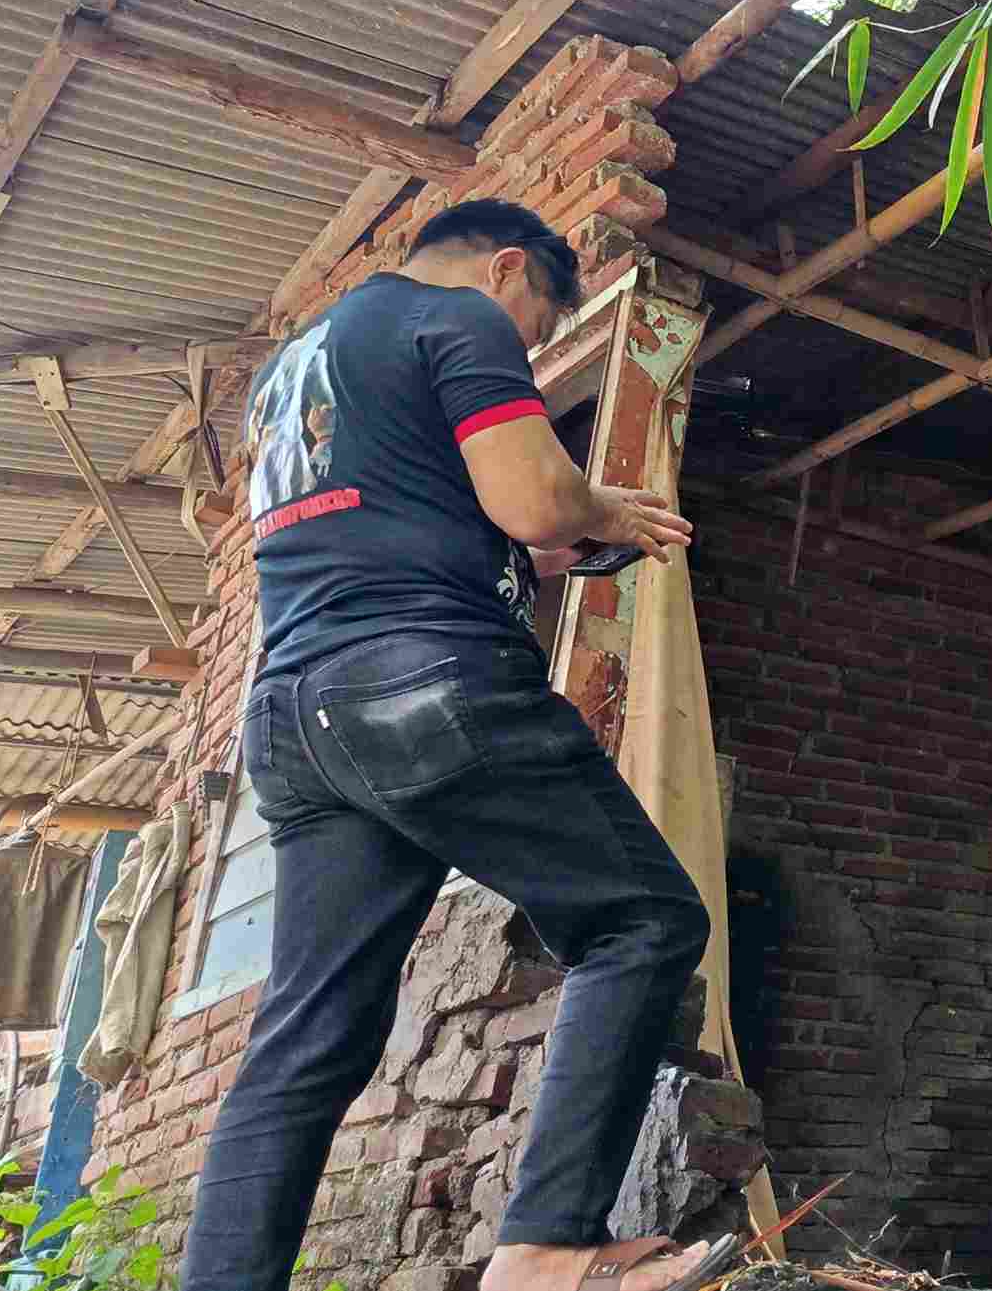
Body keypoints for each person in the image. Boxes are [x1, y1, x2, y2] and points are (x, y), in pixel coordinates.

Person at [183, 200, 726, 1291]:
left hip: (295, 718)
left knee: (306, 1040)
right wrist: (601, 509)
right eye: (531, 328)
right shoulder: (456, 318)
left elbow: (393, 513)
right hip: (422, 683)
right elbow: (532, 497)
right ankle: (542, 1248)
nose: (522, 351)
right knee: (643, 918)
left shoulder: (294, 369)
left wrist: (540, 549)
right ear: (507, 268)